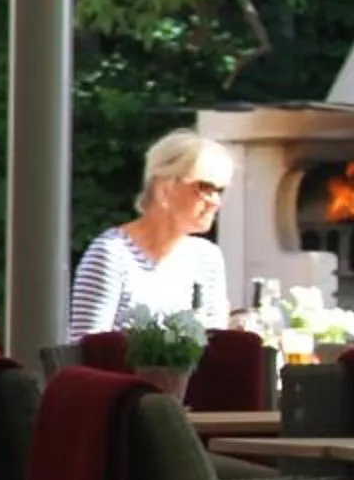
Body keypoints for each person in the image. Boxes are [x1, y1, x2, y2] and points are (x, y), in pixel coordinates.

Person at [68, 129, 234, 340]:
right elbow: (85, 349)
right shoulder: (112, 255)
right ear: (164, 188)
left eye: (219, 191)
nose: (215, 202)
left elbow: (215, 345)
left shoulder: (207, 258)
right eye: (204, 187)